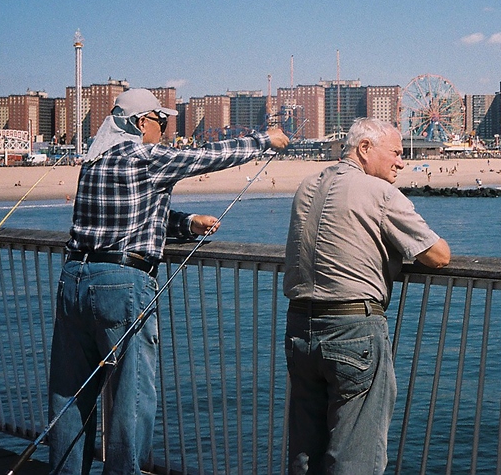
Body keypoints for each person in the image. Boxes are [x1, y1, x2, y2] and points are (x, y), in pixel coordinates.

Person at [48, 88, 288, 475]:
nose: (165, 129)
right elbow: (206, 157)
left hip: (74, 278)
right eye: (162, 121)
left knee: (69, 393)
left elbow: (131, 213)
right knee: (133, 393)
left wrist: (185, 223)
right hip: (122, 284)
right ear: (143, 122)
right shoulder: (145, 157)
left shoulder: (93, 162)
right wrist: (264, 140)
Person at [283, 117, 450, 474]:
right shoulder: (380, 193)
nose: (401, 162)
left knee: (305, 451)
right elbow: (438, 255)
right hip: (352, 329)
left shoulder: (307, 185)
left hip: (299, 326)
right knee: (356, 451)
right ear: (364, 149)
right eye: (396, 153)